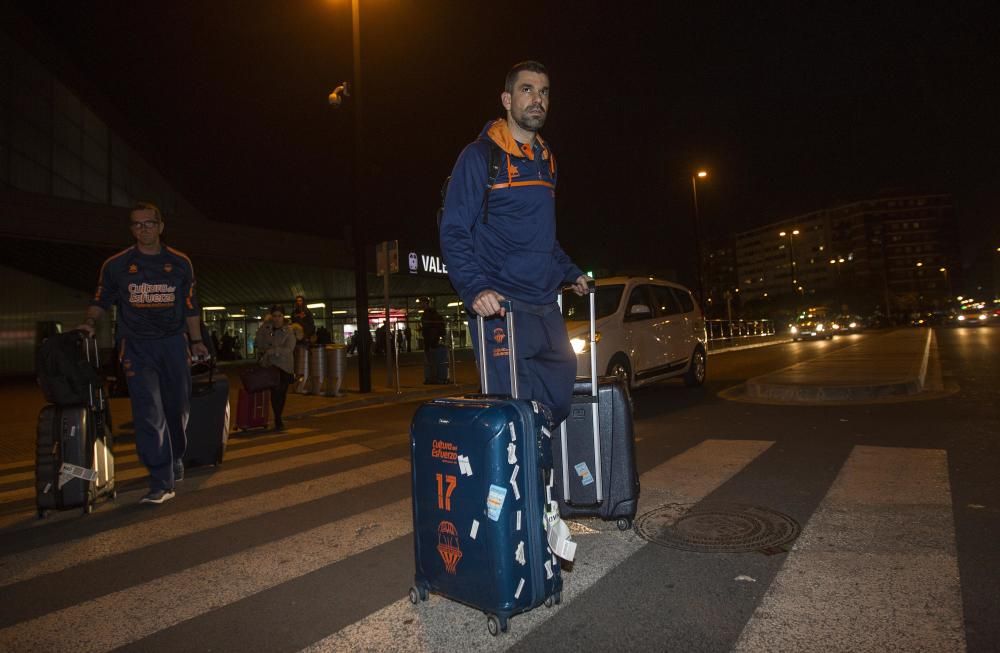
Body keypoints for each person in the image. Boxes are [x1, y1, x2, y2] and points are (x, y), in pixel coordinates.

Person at [439, 60, 589, 425]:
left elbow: (544, 238)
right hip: (501, 308)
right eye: (527, 90)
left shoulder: (546, 160)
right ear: (507, 99)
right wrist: (475, 288)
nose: (537, 99)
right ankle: (517, 480)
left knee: (558, 397)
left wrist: (571, 272)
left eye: (544, 92)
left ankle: (540, 475)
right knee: (512, 412)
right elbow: (454, 228)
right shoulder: (479, 157)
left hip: (544, 305)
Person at [77, 201, 208, 505]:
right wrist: (89, 322)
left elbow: (190, 304)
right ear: (131, 229)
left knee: (177, 408)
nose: (143, 229)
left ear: (161, 227)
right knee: (149, 412)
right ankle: (161, 481)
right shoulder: (116, 264)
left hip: (173, 344)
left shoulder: (180, 262)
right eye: (136, 225)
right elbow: (102, 297)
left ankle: (175, 454)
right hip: (135, 346)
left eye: (149, 223)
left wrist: (196, 340)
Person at [254, 305, 296, 432]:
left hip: (284, 366)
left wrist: (274, 350)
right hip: (271, 365)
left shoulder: (289, 330)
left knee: (281, 393)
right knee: (275, 391)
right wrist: (263, 327)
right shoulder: (266, 328)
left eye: (279, 316)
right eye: (274, 316)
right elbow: (258, 344)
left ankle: (278, 416)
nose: (277, 318)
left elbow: (289, 349)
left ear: (283, 317)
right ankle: (278, 418)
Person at [420, 303, 446, 384]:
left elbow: (427, 329)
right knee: (436, 360)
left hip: (430, 341)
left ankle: (432, 379)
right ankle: (438, 378)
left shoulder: (427, 317)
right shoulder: (437, 317)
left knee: (430, 361)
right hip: (435, 341)